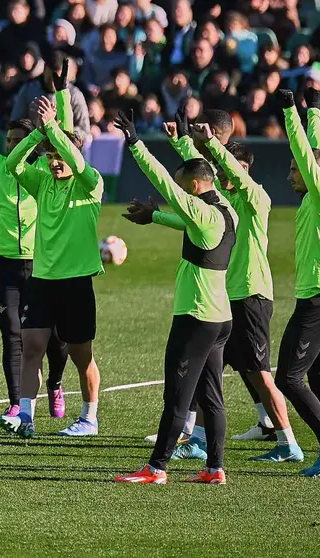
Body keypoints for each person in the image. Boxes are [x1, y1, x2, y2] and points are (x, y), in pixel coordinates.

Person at [113, 110, 235, 485]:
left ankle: (157, 468)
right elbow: (187, 219)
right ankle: (215, 468)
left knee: (178, 395)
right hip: (219, 317)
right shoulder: (224, 210)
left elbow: (165, 183)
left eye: (186, 189)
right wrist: (156, 219)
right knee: (211, 396)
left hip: (196, 316)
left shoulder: (200, 210)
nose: (180, 194)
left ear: (196, 188)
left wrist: (135, 144)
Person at [0, 60, 70, 432]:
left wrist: (61, 94)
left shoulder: (43, 172)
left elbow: (69, 144)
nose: (9, 147)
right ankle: (16, 405)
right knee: (12, 335)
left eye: (16, 142)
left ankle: (55, 384)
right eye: (7, 141)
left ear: (32, 146)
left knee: (58, 337)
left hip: (42, 265)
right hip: (7, 265)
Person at [3, 67, 103, 438]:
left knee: (81, 355)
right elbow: (13, 165)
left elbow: (76, 161)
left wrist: (56, 128)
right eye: (50, 157)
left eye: (59, 156)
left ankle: (89, 418)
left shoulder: (90, 184)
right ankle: (25, 416)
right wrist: (38, 135)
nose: (54, 161)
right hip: (43, 278)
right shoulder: (42, 180)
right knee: (31, 346)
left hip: (76, 281)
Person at [276, 88, 320, 478]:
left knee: (288, 376)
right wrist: (315, 110)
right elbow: (316, 152)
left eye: (292, 172)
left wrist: (290, 111)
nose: (289, 176)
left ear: (312, 177)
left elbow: (308, 155)